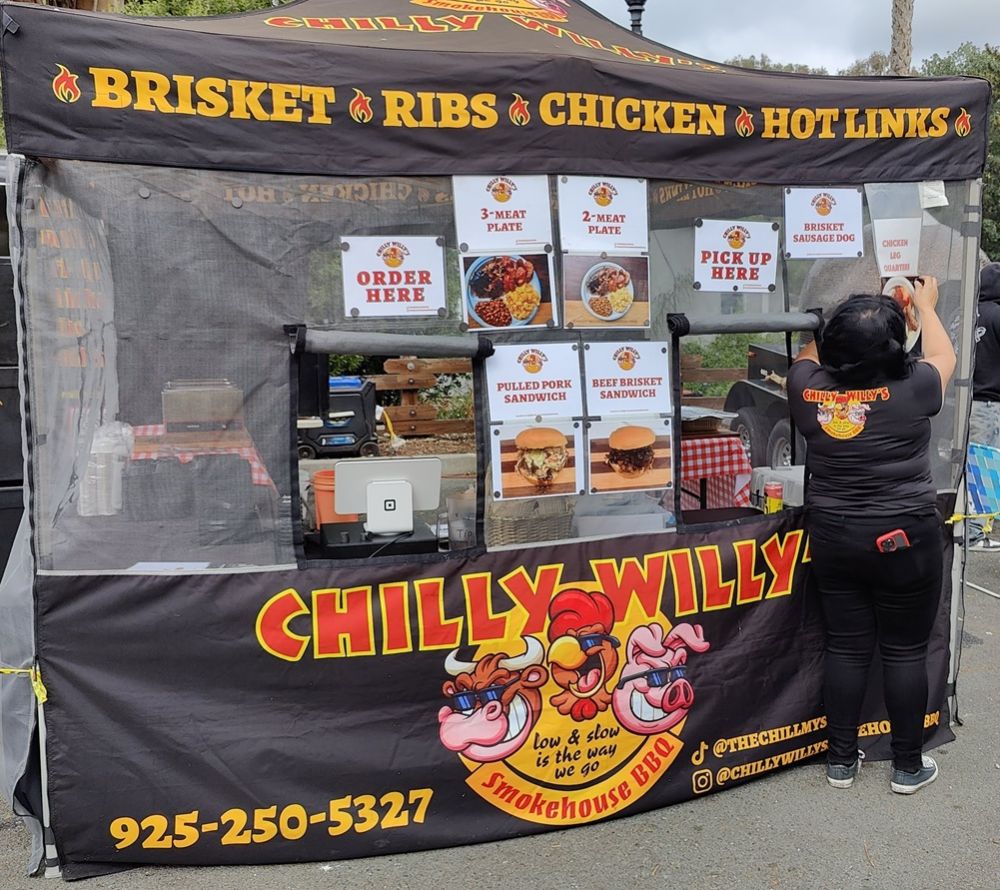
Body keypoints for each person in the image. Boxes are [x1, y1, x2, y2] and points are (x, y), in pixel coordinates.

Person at [787, 276, 956, 795]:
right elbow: (945, 355)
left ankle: (841, 761)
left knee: (846, 647)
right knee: (905, 651)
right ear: (895, 348)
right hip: (905, 537)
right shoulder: (916, 386)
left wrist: (831, 326)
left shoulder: (806, 389)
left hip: (835, 536)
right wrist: (924, 305)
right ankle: (907, 766)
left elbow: (809, 356)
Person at [968, 262, 1000, 549]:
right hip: (989, 403)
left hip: (962, 403)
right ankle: (976, 532)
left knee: (970, 466)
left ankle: (971, 526)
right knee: (985, 467)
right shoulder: (997, 315)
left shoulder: (963, 313)